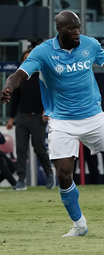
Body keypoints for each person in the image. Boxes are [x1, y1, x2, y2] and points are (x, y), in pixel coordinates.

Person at [0, 10, 104, 237]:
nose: (77, 33)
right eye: (72, 28)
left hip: (93, 116)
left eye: (79, 27)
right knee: (63, 174)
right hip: (62, 121)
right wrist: (8, 86)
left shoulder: (89, 44)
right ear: (59, 29)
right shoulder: (43, 52)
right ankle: (79, 224)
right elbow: (19, 74)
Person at [6, 48, 55, 191]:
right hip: (21, 116)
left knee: (39, 148)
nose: (28, 61)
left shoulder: (43, 76)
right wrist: (11, 118)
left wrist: (47, 110)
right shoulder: (19, 78)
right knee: (21, 149)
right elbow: (15, 99)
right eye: (25, 58)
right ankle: (21, 180)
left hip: (38, 116)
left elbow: (51, 95)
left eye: (30, 58)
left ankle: (49, 175)